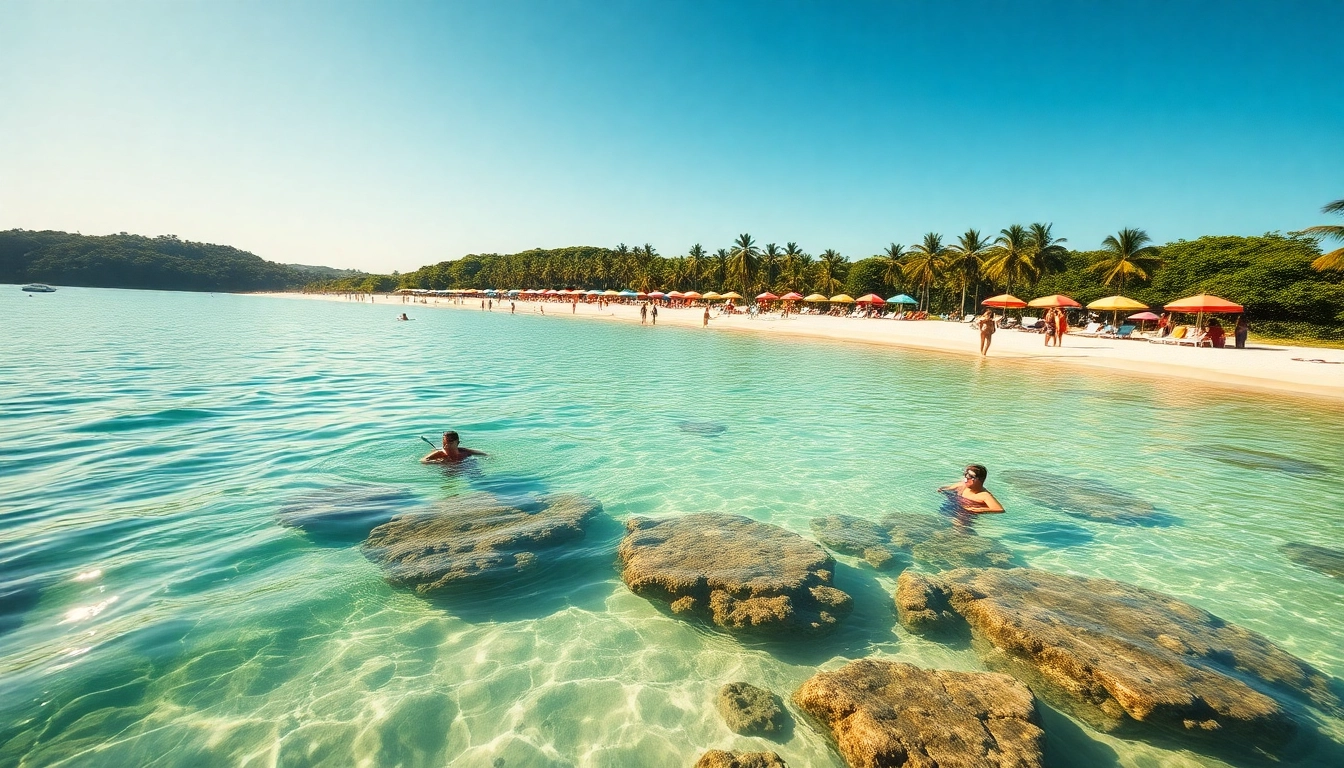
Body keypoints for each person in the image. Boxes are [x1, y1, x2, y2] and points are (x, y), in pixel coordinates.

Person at [938, 464, 1005, 513]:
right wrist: (942, 489)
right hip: (951, 505)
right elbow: (947, 489)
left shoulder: (984, 495)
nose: (966, 478)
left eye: (970, 476)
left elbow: (999, 509)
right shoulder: (962, 485)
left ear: (979, 480)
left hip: (964, 514)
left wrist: (977, 509)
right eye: (965, 474)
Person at [421, 431, 487, 463]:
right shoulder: (440, 453)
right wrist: (438, 462)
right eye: (444, 442)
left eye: (450, 442)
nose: (446, 445)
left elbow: (484, 454)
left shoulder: (464, 451)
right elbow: (423, 461)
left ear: (457, 443)